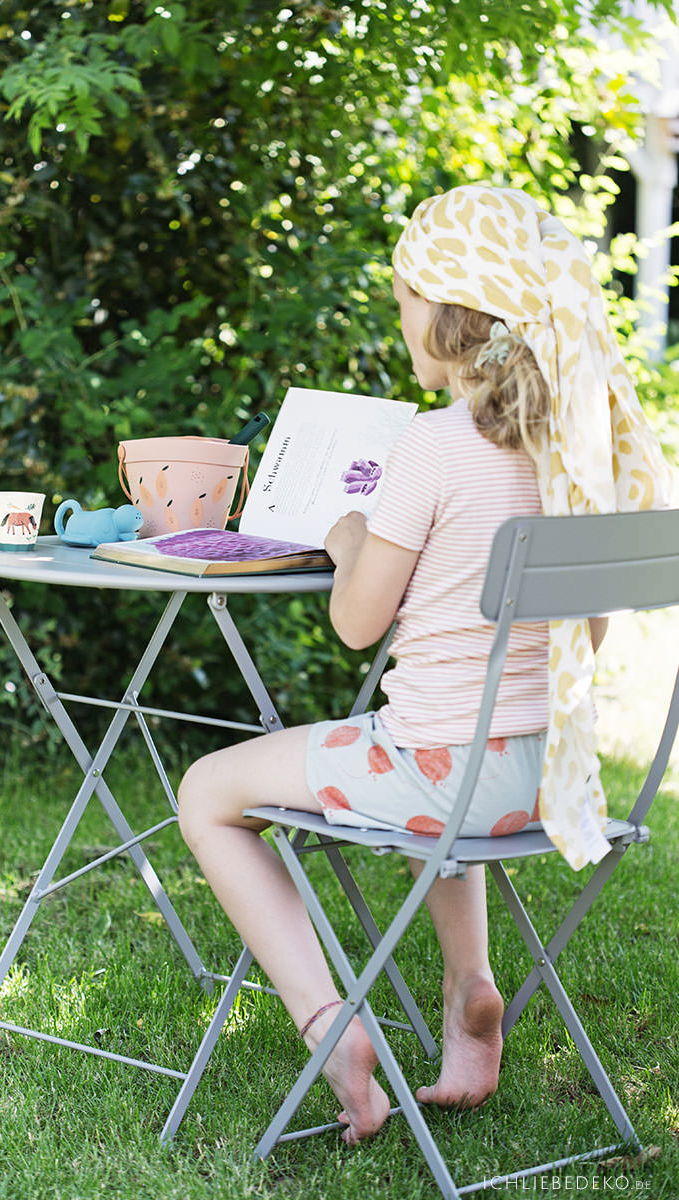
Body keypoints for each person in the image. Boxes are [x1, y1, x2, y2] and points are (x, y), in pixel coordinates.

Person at [177, 184, 675, 1144]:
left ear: (449, 311)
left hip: (445, 779)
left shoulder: (433, 446)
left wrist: (349, 533)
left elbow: (357, 625)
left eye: (405, 294)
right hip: (549, 778)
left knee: (207, 790)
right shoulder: (576, 448)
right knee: (435, 765)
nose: (396, 313)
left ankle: (332, 1032)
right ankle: (471, 995)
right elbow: (592, 633)